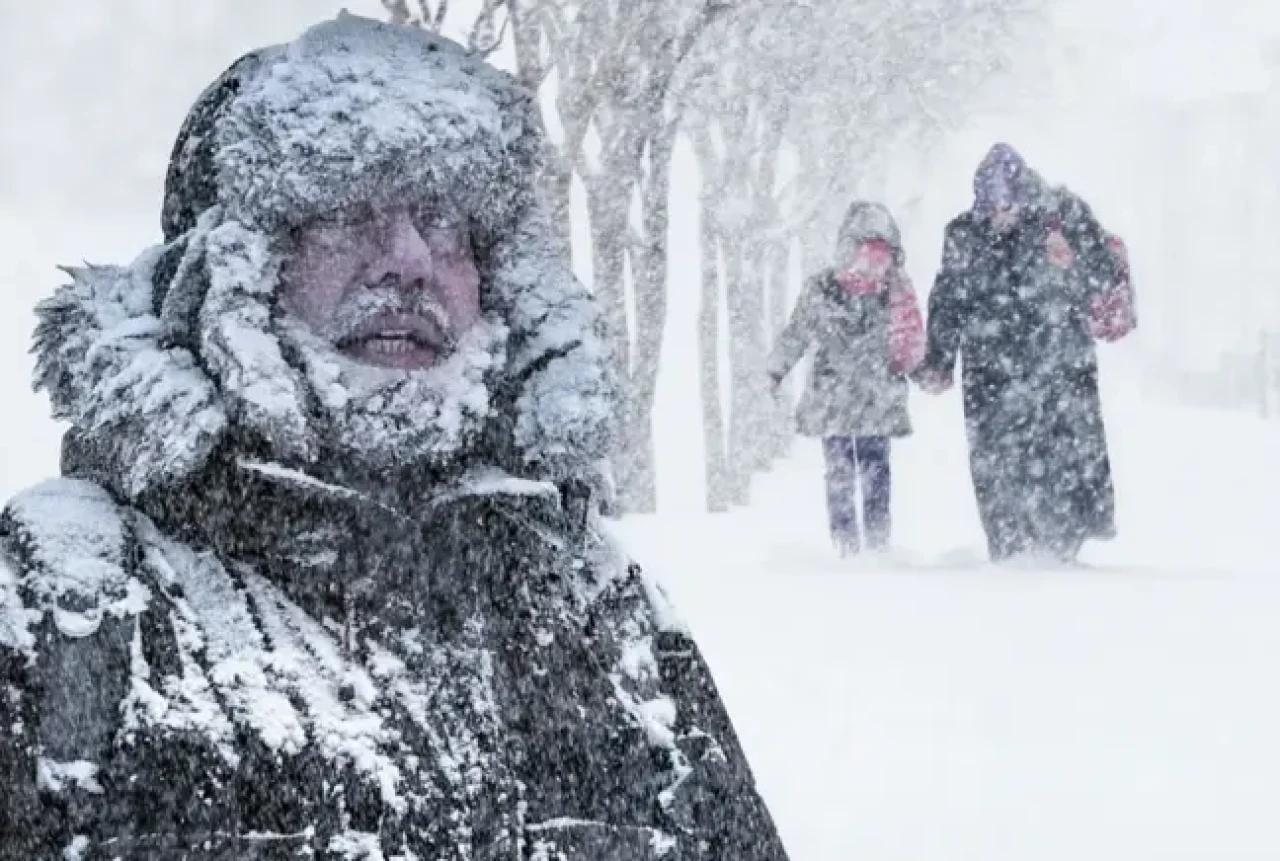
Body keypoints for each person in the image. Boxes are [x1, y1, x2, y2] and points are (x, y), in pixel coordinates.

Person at [0, 16, 791, 860]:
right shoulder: (60, 603)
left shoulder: (592, 602)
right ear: (230, 268)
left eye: (445, 220)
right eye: (344, 211)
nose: (409, 258)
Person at [915, 143, 1135, 563]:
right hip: (989, 375)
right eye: (991, 206)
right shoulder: (963, 233)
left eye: (1007, 205)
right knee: (996, 468)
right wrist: (939, 360)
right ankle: (1011, 554)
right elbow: (948, 300)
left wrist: (1074, 258)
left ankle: (1060, 551)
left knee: (1060, 462)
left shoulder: (1063, 216)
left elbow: (1105, 277)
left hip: (1058, 366)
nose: (1000, 216)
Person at [767, 201, 924, 555]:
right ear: (847, 250)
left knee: (875, 473)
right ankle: (847, 547)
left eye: (881, 254)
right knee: (841, 473)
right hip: (837, 398)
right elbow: (798, 332)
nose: (872, 263)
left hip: (873, 399)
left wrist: (928, 370)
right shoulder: (823, 288)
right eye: (865, 252)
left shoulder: (896, 293)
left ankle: (876, 545)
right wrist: (776, 368)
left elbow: (910, 340)